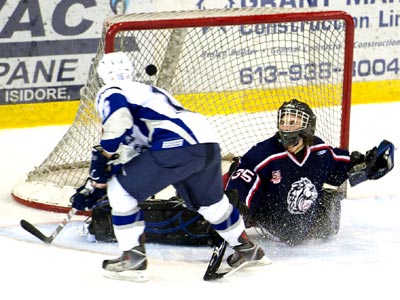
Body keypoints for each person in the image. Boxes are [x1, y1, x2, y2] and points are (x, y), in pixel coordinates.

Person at [70, 51, 268, 282]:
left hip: (174, 146)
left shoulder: (111, 91)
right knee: (211, 204)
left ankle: (132, 259)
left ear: (102, 75)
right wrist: (100, 180)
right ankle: (247, 249)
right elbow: (136, 153)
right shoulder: (149, 92)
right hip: (206, 143)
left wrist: (103, 159)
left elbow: (118, 120)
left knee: (120, 192)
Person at [224, 99, 394, 246]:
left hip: (307, 226)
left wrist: (368, 166)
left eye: (293, 122)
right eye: (284, 122)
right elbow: (241, 181)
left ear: (307, 127)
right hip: (272, 226)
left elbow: (341, 165)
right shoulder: (263, 154)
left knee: (330, 206)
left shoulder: (319, 150)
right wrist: (237, 204)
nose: (286, 127)